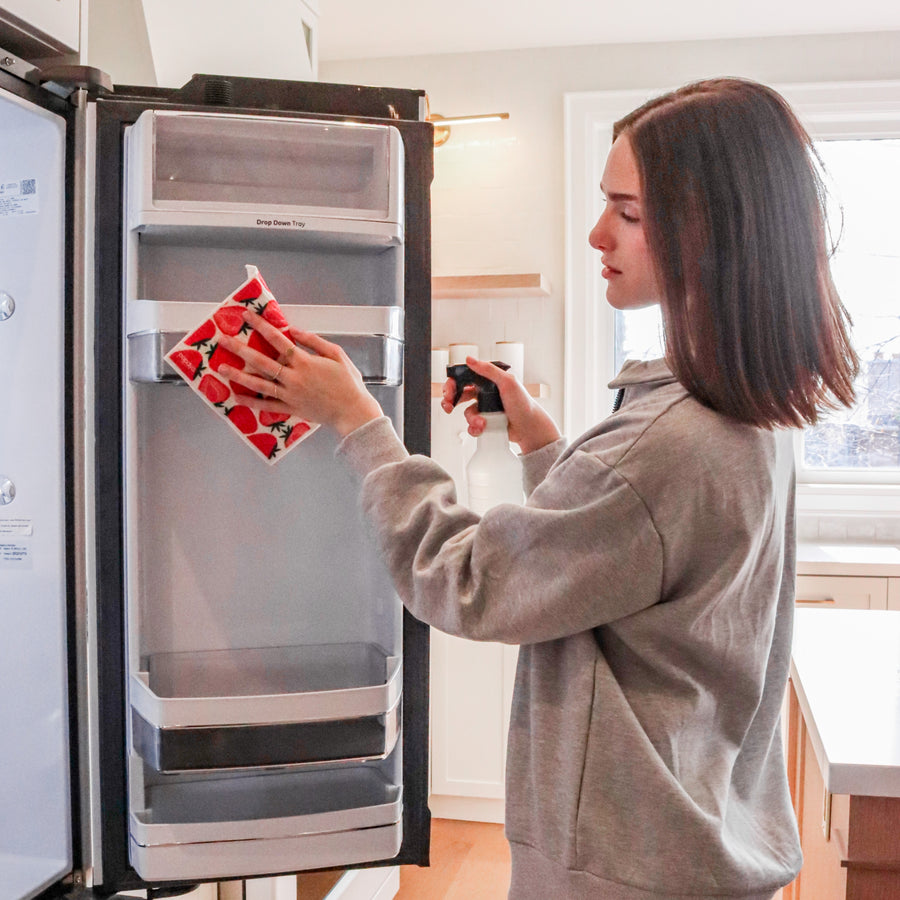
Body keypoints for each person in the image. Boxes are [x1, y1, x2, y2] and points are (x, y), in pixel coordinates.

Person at [217, 77, 858, 900]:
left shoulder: (669, 444)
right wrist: (540, 438)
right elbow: (626, 562)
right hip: (695, 840)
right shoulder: (749, 407)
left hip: (625, 870)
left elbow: (467, 581)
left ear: (710, 233)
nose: (598, 233)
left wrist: (358, 423)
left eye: (628, 214)